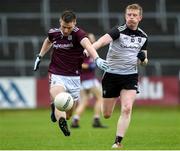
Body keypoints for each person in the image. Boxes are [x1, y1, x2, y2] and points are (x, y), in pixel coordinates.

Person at [33, 10, 108, 136]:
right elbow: (48, 41)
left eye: (69, 27)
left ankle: (61, 113)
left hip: (74, 77)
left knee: (69, 114)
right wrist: (40, 56)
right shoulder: (54, 33)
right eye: (63, 27)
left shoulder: (79, 34)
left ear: (74, 23)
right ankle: (60, 118)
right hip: (57, 74)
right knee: (59, 98)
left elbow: (88, 46)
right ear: (60, 22)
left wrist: (97, 58)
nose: (66, 30)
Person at [91, 4, 148, 148]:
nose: (131, 18)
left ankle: (118, 142)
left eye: (135, 15)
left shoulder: (144, 37)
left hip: (130, 76)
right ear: (125, 16)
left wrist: (143, 59)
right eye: (129, 15)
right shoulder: (118, 31)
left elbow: (145, 62)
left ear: (140, 18)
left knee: (127, 108)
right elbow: (101, 41)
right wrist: (89, 51)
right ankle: (113, 99)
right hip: (111, 75)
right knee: (107, 114)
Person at [71, 33, 106, 128]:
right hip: (88, 80)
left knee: (84, 101)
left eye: (93, 39)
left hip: (82, 80)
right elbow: (78, 63)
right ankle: (96, 119)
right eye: (91, 39)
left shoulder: (89, 50)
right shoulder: (85, 50)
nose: (93, 41)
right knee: (100, 98)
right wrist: (89, 66)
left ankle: (75, 120)